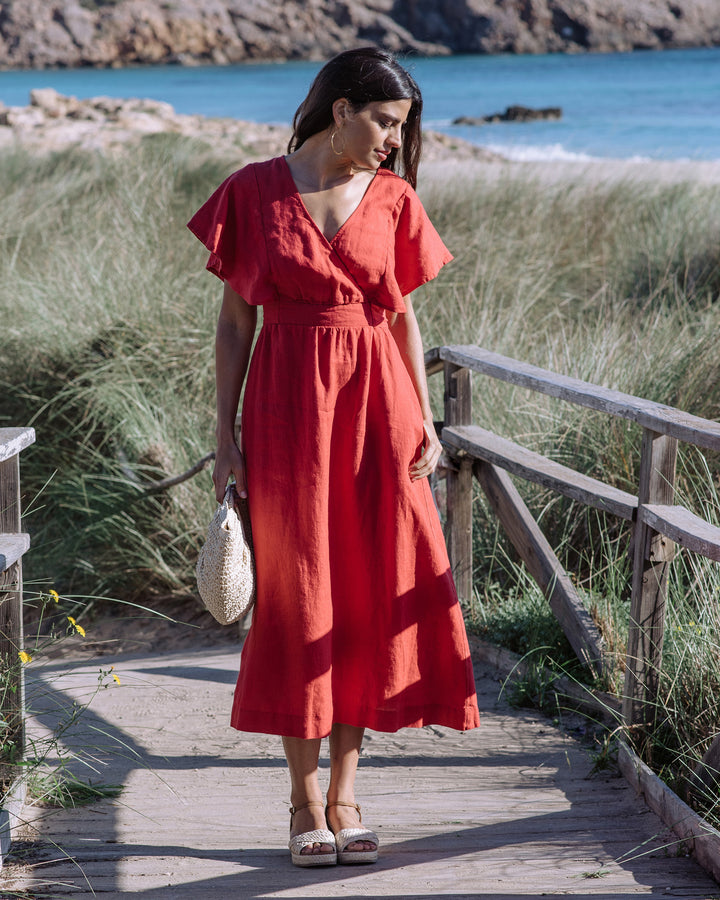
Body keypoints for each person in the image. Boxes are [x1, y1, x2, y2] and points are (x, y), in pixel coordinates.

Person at [188, 46, 480, 868]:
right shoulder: (251, 190)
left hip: (378, 410)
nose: (393, 140)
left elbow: (399, 316)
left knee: (364, 595)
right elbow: (235, 324)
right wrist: (224, 436)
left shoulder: (393, 197)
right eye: (385, 122)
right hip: (285, 413)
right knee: (297, 598)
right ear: (341, 108)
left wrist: (422, 416)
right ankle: (300, 802)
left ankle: (347, 795)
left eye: (401, 128)